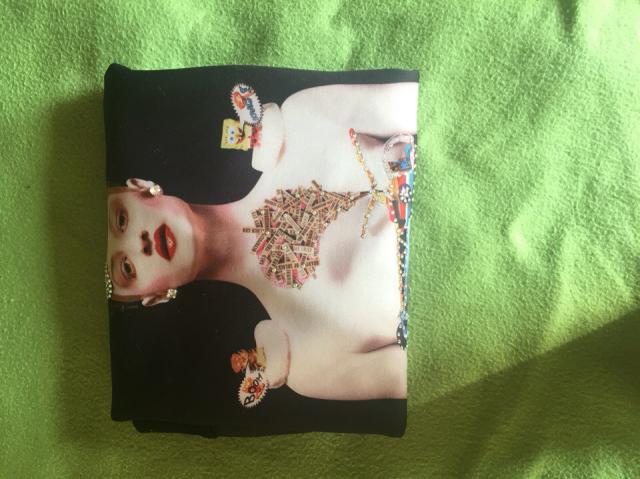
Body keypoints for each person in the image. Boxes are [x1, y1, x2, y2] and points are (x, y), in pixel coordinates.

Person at [106, 82, 418, 402]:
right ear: (155, 297)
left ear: (141, 187)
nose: (140, 243)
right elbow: (424, 375)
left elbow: (422, 106)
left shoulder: (302, 120)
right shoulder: (307, 363)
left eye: (122, 220)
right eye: (127, 267)